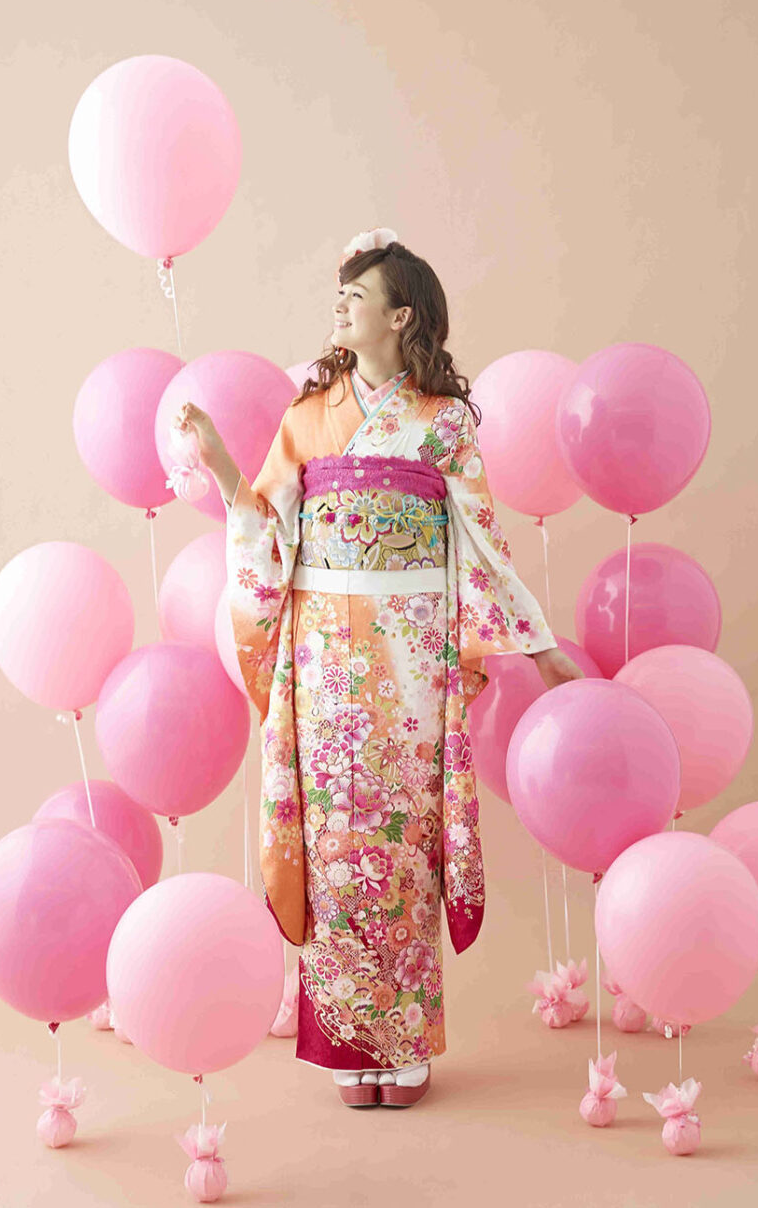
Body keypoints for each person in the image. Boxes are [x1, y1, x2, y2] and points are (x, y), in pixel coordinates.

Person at [175, 228, 584, 1109]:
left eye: (356, 296)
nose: (340, 307)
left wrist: (539, 644)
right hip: (325, 650)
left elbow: (482, 540)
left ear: (400, 317)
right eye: (341, 295)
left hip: (410, 652)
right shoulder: (307, 416)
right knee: (335, 836)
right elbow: (267, 532)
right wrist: (218, 461)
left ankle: (403, 1043)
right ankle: (346, 1046)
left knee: (400, 837)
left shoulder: (443, 422)